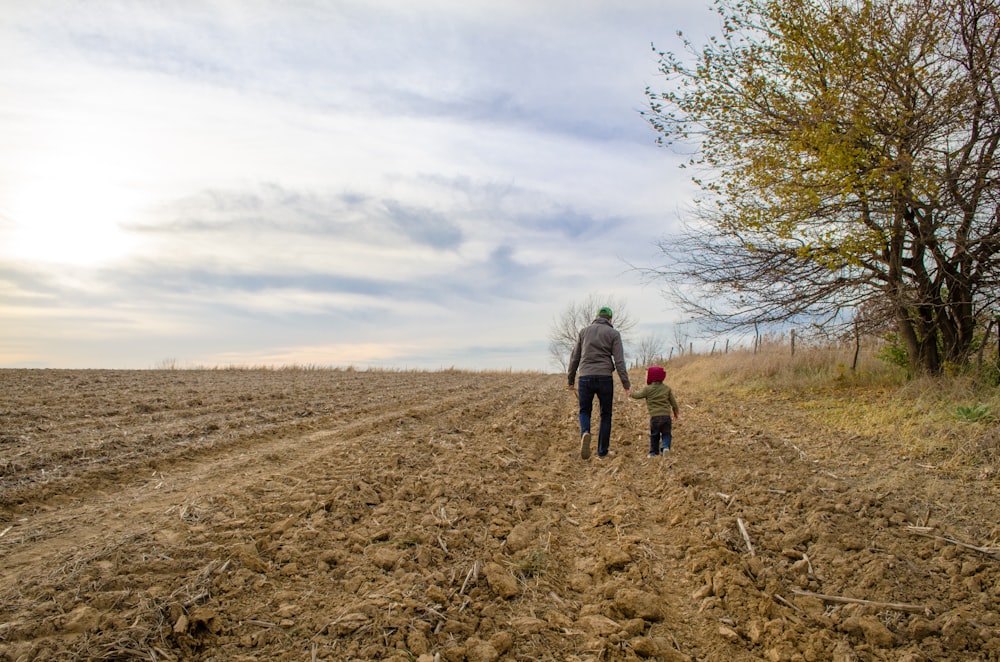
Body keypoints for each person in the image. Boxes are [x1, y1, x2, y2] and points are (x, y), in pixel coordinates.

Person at [567, 306, 631, 459]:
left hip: (585, 377)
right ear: (610, 319)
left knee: (584, 411)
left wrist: (570, 380)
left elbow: (575, 357)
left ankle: (585, 432)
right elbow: (619, 361)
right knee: (606, 414)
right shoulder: (614, 334)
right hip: (604, 378)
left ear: (596, 317)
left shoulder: (584, 332)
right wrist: (626, 385)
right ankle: (602, 451)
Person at [629, 365, 680, 457]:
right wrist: (676, 412)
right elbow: (674, 403)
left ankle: (653, 452)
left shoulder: (647, 389)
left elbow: (637, 395)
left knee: (654, 435)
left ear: (651, 377)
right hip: (666, 417)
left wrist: (631, 392)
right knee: (666, 434)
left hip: (655, 417)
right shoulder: (667, 389)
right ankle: (665, 448)